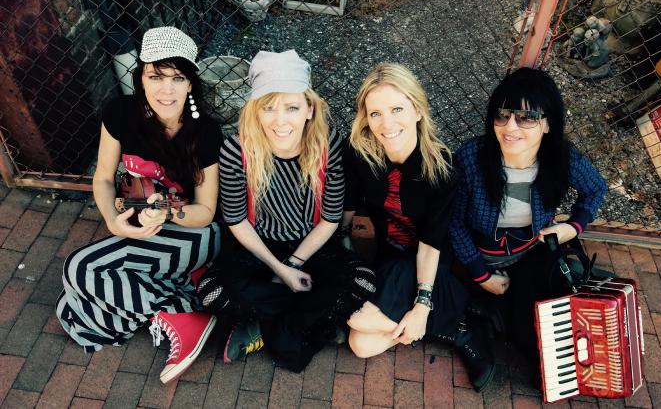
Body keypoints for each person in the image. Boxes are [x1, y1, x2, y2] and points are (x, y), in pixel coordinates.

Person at [56, 27, 222, 384]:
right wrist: (113, 221)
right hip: (137, 229)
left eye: (177, 78)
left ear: (191, 83)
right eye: (156, 76)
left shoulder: (205, 133)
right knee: (70, 308)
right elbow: (102, 178)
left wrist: (168, 211)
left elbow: (206, 211)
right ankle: (184, 311)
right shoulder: (119, 115)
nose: (166, 89)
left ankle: (180, 310)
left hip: (193, 234)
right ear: (141, 77)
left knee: (81, 271)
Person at [196, 50, 376, 373]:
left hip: (312, 247)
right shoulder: (237, 150)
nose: (280, 121)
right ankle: (309, 324)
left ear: (309, 109)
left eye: (291, 107)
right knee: (210, 291)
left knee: (364, 281)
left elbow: (329, 220)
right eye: (268, 106)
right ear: (255, 110)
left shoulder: (328, 145)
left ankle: (265, 327)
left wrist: (294, 264)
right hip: (259, 248)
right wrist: (280, 271)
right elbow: (236, 221)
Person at [343, 63, 495, 392]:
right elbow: (351, 212)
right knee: (361, 344)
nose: (387, 124)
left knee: (360, 324)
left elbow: (431, 242)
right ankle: (451, 323)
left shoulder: (442, 168)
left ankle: (454, 323)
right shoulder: (359, 153)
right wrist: (345, 255)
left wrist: (422, 303)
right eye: (376, 113)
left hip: (428, 259)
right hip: (387, 256)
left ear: (417, 110)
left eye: (397, 109)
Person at [449, 67, 607, 369]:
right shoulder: (471, 158)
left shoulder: (561, 158)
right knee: (521, 337)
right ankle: (483, 311)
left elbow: (596, 188)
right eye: (503, 115)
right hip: (480, 258)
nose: (511, 127)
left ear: (547, 124)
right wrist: (482, 275)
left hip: (531, 252)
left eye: (526, 117)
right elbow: (454, 223)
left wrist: (574, 227)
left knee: (545, 330)